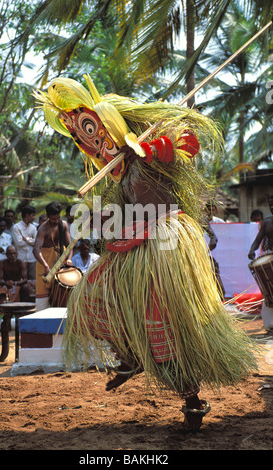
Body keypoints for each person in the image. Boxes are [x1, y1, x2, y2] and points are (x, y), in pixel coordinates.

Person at [36, 75, 258, 432]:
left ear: (109, 125)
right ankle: (129, 354)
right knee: (90, 291)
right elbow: (122, 215)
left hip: (168, 238)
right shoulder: (120, 174)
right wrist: (98, 217)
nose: (91, 143)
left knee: (163, 323)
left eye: (93, 131)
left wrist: (158, 148)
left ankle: (190, 397)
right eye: (82, 138)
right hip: (138, 237)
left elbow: (188, 146)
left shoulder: (147, 155)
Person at [33, 201, 72, 311]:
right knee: (43, 298)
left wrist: (69, 259)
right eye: (53, 219)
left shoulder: (63, 225)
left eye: (58, 218)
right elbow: (36, 250)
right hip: (44, 262)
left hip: (60, 262)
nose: (56, 221)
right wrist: (45, 266)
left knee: (62, 293)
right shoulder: (43, 229)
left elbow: (70, 246)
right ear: (48, 216)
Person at [248, 196, 273, 332]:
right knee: (269, 292)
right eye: (270, 205)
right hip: (269, 256)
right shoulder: (267, 223)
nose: (272, 207)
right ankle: (270, 325)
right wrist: (252, 250)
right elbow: (258, 240)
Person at [0, 246, 30, 321]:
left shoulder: (21, 263)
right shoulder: (3, 262)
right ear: (6, 255)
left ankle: (24, 313)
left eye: (14, 253)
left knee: (26, 287)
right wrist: (6, 283)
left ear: (17, 254)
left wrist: (15, 283)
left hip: (17, 284)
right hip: (5, 285)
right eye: (10, 254)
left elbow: (25, 279)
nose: (12, 256)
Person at [12, 206, 37, 280]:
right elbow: (19, 243)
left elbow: (36, 241)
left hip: (32, 257)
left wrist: (26, 239)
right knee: (21, 279)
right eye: (32, 215)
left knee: (32, 278)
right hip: (21, 257)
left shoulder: (33, 227)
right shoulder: (16, 227)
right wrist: (31, 240)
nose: (34, 217)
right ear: (27, 215)